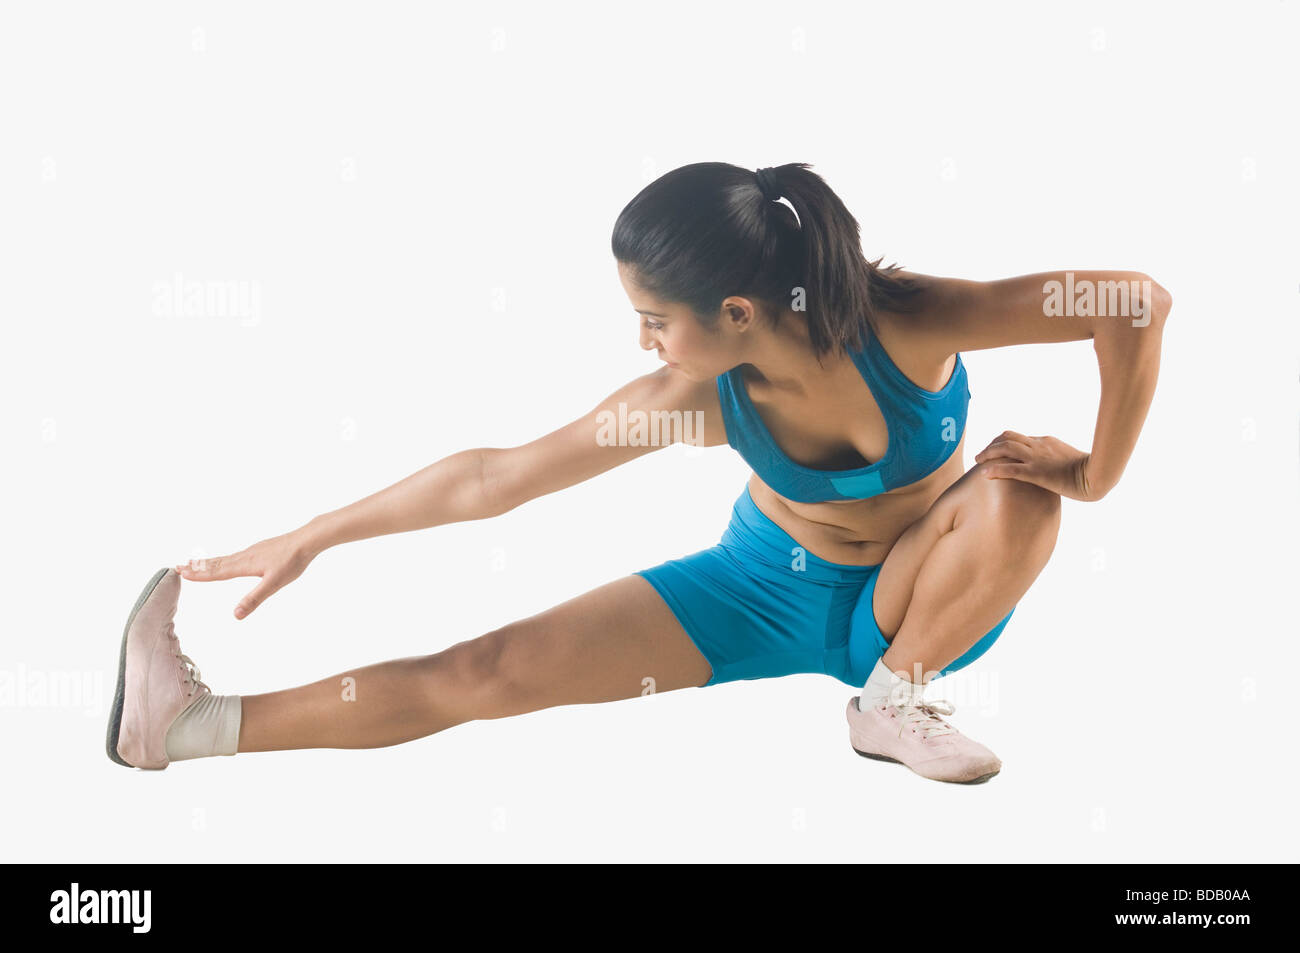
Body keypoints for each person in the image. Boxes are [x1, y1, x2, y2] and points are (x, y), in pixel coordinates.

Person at [106, 162, 1171, 784]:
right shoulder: (691, 402)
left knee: (1019, 493)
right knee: (485, 669)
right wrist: (315, 533)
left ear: (738, 313)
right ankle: (193, 727)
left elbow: (1133, 301)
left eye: (654, 320)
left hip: (919, 604)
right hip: (757, 589)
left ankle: (892, 703)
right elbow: (493, 478)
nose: (646, 344)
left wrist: (1095, 472)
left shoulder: (922, 321)